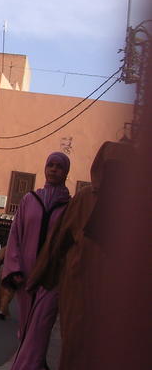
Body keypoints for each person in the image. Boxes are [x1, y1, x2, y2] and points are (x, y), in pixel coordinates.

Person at [27, 142, 130, 369]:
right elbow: (58, 240)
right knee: (75, 344)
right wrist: (40, 276)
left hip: (111, 291)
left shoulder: (133, 206)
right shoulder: (85, 198)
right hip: (80, 284)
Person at [1, 152, 71, 370]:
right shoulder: (29, 200)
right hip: (26, 276)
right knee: (26, 328)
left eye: (59, 166)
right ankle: (36, 363)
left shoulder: (70, 207)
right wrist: (14, 269)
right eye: (50, 165)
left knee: (40, 326)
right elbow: (15, 235)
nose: (53, 169)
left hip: (51, 278)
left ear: (66, 172)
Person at [0, 244, 14, 320]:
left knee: (2, 290)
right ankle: (3, 309)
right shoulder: (22, 249)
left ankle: (2, 309)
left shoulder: (6, 247)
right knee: (10, 291)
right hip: (15, 271)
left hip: (4, 269)